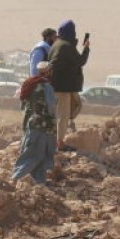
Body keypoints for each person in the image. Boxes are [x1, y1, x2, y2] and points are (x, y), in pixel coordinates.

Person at [13, 60, 59, 184]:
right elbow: (51, 109)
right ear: (48, 72)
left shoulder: (30, 84)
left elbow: (24, 107)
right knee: (35, 156)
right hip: (43, 127)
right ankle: (16, 178)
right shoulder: (46, 87)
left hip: (32, 125)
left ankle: (39, 184)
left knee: (38, 155)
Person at [48, 19, 90, 149]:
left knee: (68, 108)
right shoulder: (66, 46)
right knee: (63, 115)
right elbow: (81, 61)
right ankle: (59, 143)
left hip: (55, 85)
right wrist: (86, 48)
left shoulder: (57, 44)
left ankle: (54, 140)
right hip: (63, 87)